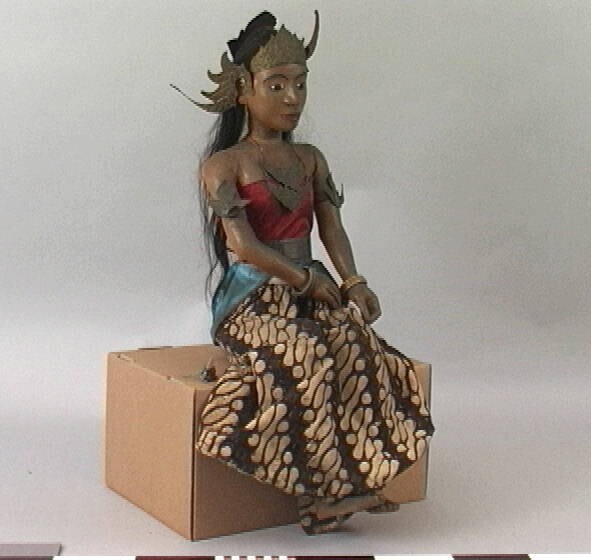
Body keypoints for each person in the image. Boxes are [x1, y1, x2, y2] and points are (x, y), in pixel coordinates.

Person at [175, 10, 434, 535]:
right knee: (306, 352)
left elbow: (331, 228)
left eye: (300, 83)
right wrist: (305, 280)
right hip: (253, 297)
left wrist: (354, 282)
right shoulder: (224, 165)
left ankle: (359, 476)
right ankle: (321, 492)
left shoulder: (311, 159)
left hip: (310, 288)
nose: (292, 97)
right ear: (243, 89)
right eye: (276, 85)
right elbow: (243, 245)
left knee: (355, 344)